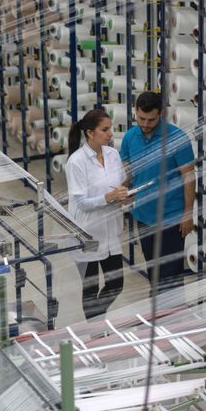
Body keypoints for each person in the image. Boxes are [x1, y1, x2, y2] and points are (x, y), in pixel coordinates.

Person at [119, 92, 195, 295]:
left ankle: (173, 318)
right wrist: (122, 191)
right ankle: (159, 317)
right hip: (143, 215)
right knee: (153, 272)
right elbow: (127, 172)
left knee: (170, 276)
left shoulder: (176, 138)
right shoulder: (129, 137)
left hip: (171, 217)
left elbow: (189, 177)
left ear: (161, 114)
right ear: (135, 112)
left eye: (151, 120)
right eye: (141, 118)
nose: (145, 123)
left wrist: (188, 213)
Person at [65, 108, 130, 319]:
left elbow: (118, 185)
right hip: (88, 233)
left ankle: (97, 319)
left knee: (115, 284)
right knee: (91, 289)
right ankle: (96, 330)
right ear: (90, 133)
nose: (110, 134)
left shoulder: (113, 154)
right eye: (105, 129)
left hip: (110, 229)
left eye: (110, 128)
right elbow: (82, 203)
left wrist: (124, 195)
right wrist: (109, 197)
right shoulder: (76, 162)